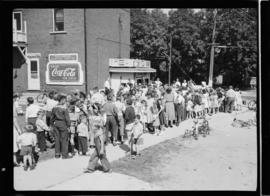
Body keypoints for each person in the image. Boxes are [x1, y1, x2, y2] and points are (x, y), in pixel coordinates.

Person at [84, 104, 112, 173]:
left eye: (96, 109)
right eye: (94, 109)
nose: (95, 110)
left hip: (100, 137)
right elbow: (87, 115)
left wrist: (102, 148)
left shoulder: (100, 118)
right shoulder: (91, 117)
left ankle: (107, 168)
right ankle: (91, 167)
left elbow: (102, 130)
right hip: (96, 138)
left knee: (101, 153)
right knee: (96, 154)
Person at [50, 94, 72, 159]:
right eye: (64, 100)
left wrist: (51, 124)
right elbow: (67, 118)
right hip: (63, 123)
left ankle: (57, 154)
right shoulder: (64, 108)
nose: (65, 101)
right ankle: (64, 155)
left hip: (56, 123)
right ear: (62, 100)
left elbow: (52, 117)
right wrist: (69, 126)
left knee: (57, 139)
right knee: (64, 139)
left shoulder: (54, 107)